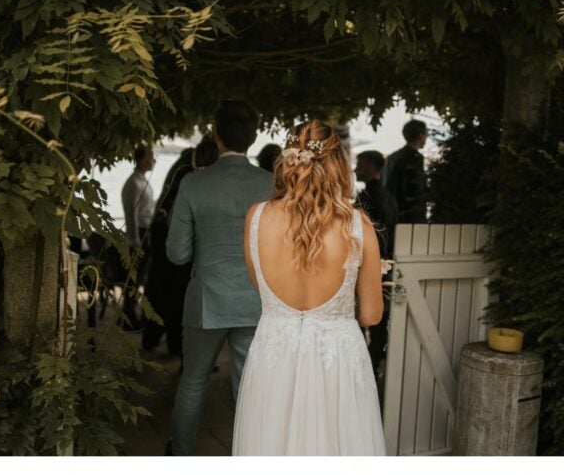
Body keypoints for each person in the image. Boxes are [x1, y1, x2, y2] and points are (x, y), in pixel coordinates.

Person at [233, 120, 386, 455]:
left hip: (275, 353)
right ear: (338, 165)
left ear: (288, 160)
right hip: (338, 360)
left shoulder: (256, 218)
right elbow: (372, 315)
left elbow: (262, 287)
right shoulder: (357, 226)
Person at [165, 101, 273, 456]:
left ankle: (181, 454)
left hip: (207, 300)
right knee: (248, 387)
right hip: (255, 300)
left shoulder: (194, 184)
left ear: (216, 136)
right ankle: (247, 456)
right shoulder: (271, 185)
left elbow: (176, 253)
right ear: (254, 138)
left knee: (193, 382)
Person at [142, 140, 219, 355]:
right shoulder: (188, 172)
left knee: (161, 291)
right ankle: (177, 346)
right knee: (175, 295)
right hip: (169, 237)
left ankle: (156, 339)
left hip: (162, 235)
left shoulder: (182, 166)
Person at [354, 150, 398, 391]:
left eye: (359, 164)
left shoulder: (369, 197)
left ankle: (366, 365)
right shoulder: (389, 196)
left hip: (369, 264)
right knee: (379, 321)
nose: (355, 168)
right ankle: (373, 364)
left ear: (371, 167)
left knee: (363, 317)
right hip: (385, 262)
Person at [120, 144, 155, 330]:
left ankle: (133, 313)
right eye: (150, 157)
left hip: (146, 231)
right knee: (134, 278)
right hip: (139, 234)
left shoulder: (143, 181)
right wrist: (134, 240)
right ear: (142, 159)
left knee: (141, 277)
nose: (153, 161)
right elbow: (131, 213)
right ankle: (128, 315)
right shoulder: (133, 183)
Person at [383, 119, 429, 223]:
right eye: (426, 134)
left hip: (393, 213)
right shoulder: (415, 158)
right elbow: (417, 189)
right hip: (410, 216)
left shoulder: (393, 157)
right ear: (420, 135)